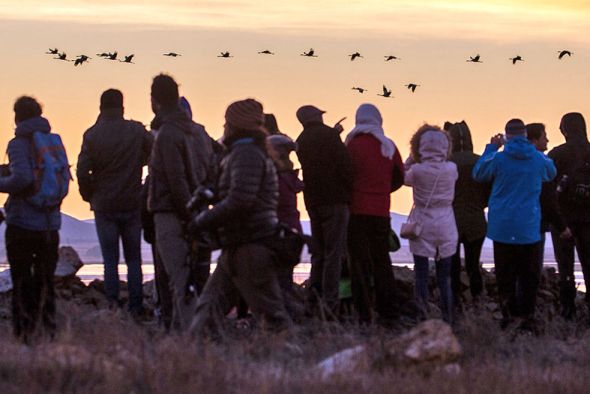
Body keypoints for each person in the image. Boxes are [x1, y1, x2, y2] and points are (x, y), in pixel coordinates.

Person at [190, 99, 292, 336]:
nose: (224, 127)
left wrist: (203, 220)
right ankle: (197, 365)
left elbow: (241, 200)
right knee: (205, 316)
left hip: (251, 246)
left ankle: (293, 364)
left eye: (227, 122)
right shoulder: (242, 154)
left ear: (236, 126)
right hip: (236, 246)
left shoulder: (247, 154)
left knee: (274, 321)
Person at [473, 119, 556, 328]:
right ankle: (526, 318)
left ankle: (508, 317)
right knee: (529, 276)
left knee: (505, 275)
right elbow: (551, 172)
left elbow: (479, 173)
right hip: (528, 225)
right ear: (526, 135)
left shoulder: (498, 159)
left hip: (502, 226)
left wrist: (492, 147)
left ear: (507, 136)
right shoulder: (537, 159)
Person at [77, 89, 153, 315]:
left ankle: (112, 307)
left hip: (104, 205)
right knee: (134, 259)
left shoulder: (92, 135)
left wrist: (89, 194)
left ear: (101, 107)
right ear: (122, 106)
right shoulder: (136, 131)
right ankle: (136, 306)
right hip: (132, 202)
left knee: (110, 260)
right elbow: (154, 153)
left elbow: (82, 170)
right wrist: (138, 163)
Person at [148, 74, 214, 331]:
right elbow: (211, 171)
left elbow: (174, 179)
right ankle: (182, 334)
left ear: (154, 100)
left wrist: (187, 214)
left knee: (179, 280)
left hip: (172, 213)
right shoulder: (199, 132)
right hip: (199, 211)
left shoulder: (166, 134)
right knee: (194, 279)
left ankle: (192, 338)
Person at [0, 96, 64, 342]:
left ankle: (24, 335)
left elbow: (23, 179)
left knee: (21, 280)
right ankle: (48, 332)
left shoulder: (18, 143)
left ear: (17, 116)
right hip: (50, 224)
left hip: (22, 224)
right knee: (45, 281)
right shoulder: (53, 142)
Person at [344, 103, 404, 326]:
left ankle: (363, 314)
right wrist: (382, 189)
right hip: (381, 211)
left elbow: (344, 175)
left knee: (358, 264)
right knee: (381, 261)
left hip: (356, 212)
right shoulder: (388, 146)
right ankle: (389, 313)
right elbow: (399, 175)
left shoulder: (351, 145)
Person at [295, 105, 353, 317]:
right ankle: (330, 304)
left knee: (319, 253)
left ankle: (312, 299)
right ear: (316, 117)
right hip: (335, 200)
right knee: (334, 253)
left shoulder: (300, 140)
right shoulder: (329, 135)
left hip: (312, 201)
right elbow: (344, 164)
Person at [405, 125, 458, 324]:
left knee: (421, 275)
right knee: (445, 278)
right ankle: (448, 319)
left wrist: (411, 159)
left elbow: (402, 177)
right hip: (446, 224)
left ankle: (422, 317)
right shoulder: (451, 169)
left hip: (423, 223)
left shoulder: (417, 170)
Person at [547, 113, 590, 319]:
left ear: (565, 130)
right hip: (588, 220)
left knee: (565, 266)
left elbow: (546, 186)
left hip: (562, 219)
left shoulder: (557, 154)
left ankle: (568, 311)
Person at [445, 121, 489, 305]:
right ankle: (478, 304)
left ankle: (454, 305)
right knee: (473, 266)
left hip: (450, 220)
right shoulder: (481, 162)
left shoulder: (446, 164)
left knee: (452, 266)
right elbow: (489, 192)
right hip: (476, 221)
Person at [526, 123, 571, 272]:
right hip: (536, 221)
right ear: (534, 140)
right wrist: (561, 226)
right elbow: (548, 199)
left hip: (513, 223)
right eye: (544, 137)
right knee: (532, 270)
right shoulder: (543, 164)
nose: (548, 140)